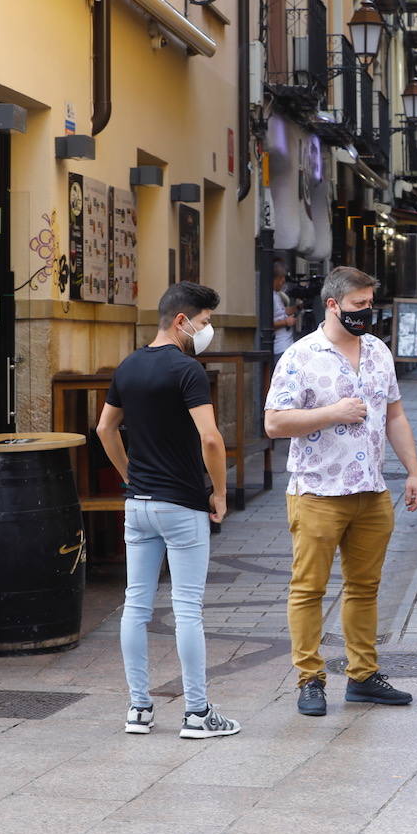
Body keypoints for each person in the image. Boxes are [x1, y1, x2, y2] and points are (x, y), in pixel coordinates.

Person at [264, 266, 417, 716]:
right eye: (358, 305)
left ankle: (363, 676)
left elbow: (394, 415)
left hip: (371, 490)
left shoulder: (377, 351)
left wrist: (413, 471)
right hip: (317, 491)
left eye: (370, 304)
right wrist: (332, 412)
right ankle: (310, 679)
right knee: (308, 588)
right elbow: (274, 422)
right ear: (333, 304)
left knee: (364, 587)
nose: (366, 313)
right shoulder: (299, 355)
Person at [96, 281, 241, 740]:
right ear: (182, 321)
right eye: (204, 322)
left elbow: (105, 428)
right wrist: (219, 493)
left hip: (137, 506)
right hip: (181, 504)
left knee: (135, 606)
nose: (207, 329)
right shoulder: (187, 370)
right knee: (187, 609)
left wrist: (129, 475)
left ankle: (139, 709)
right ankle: (198, 713)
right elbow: (212, 438)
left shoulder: (129, 366)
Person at [272, 260, 299, 365]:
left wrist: (297, 307)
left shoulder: (276, 294)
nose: (283, 282)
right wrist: (286, 322)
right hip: (280, 347)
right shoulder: (270, 297)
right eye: (281, 278)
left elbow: (281, 313)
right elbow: (266, 323)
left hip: (286, 344)